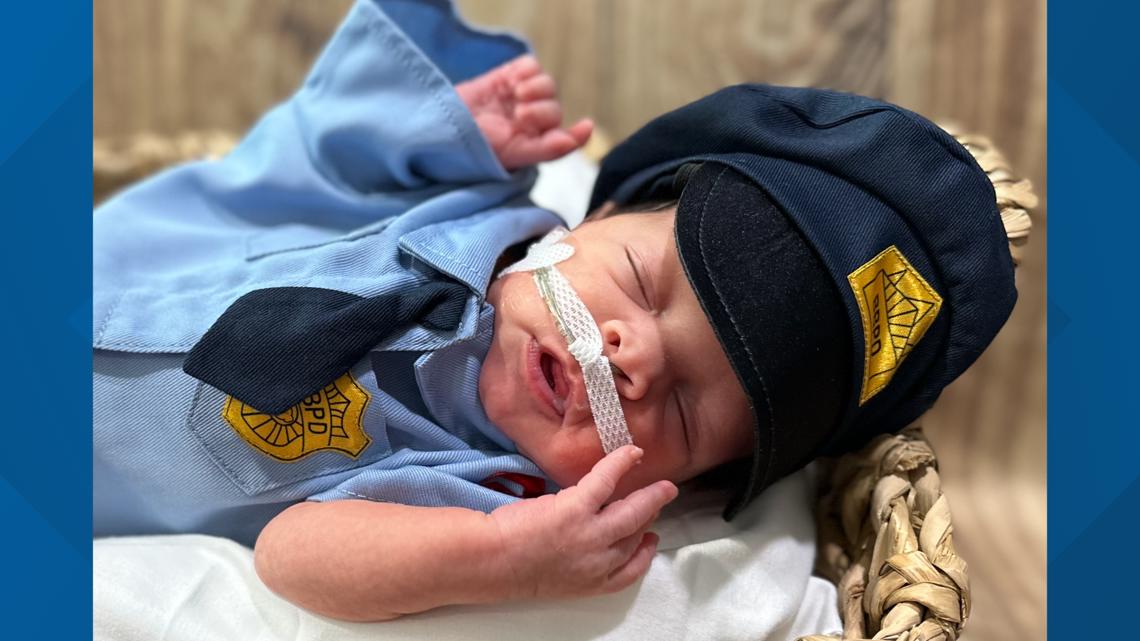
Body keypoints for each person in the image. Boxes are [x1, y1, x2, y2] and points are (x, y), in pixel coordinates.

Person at [93, 0, 1032, 623]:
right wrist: (439, 130)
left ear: (688, 485)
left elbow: (298, 554)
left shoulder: (500, 483)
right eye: (640, 279)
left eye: (684, 409)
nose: (628, 356)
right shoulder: (465, 201)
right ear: (597, 217)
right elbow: (306, 160)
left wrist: (502, 556)